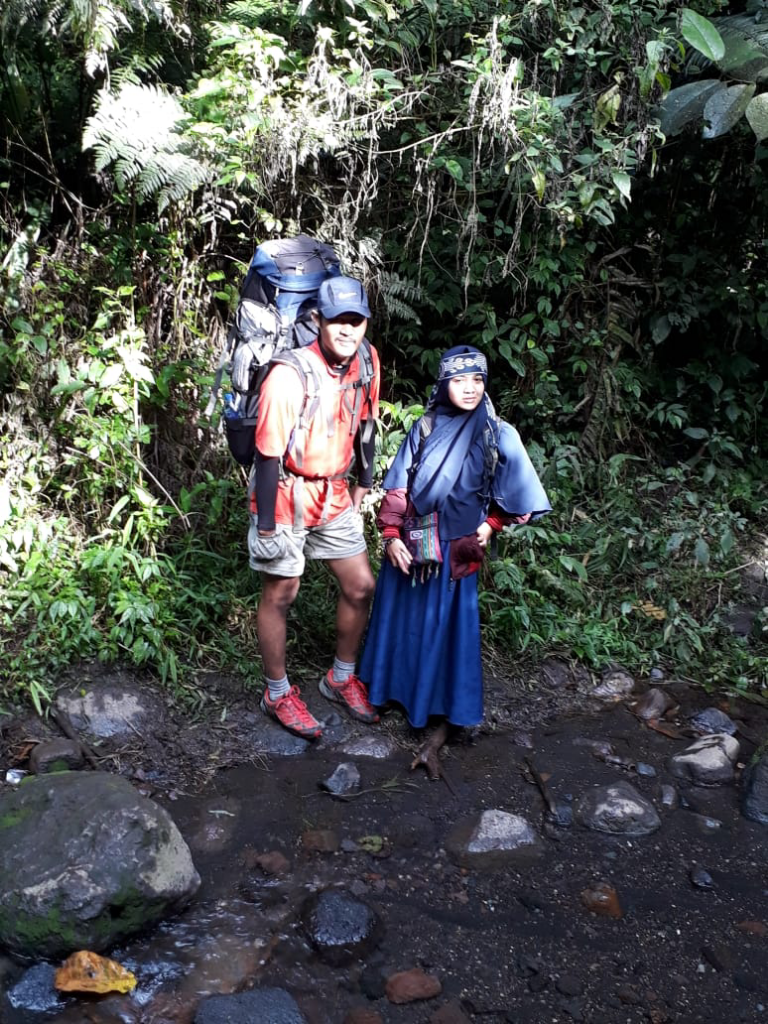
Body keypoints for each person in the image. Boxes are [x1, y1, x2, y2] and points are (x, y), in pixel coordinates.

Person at [358, 344, 551, 777]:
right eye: (460, 380)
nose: (469, 388)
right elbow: (398, 489)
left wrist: (491, 526)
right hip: (413, 544)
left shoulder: (498, 433)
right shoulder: (425, 427)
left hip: (455, 552)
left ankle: (438, 711)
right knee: (403, 623)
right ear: (444, 383)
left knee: (444, 631)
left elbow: (517, 493)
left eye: (477, 380)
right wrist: (390, 536)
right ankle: (393, 696)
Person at [249, 276, 381, 739]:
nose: (348, 329)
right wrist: (266, 526)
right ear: (318, 319)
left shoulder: (365, 361)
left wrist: (364, 483)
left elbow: (366, 425)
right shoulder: (290, 374)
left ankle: (339, 679)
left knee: (361, 585)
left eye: (356, 320)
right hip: (284, 494)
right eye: (339, 320)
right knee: (281, 592)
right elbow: (266, 454)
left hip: (335, 492)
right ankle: (277, 692)